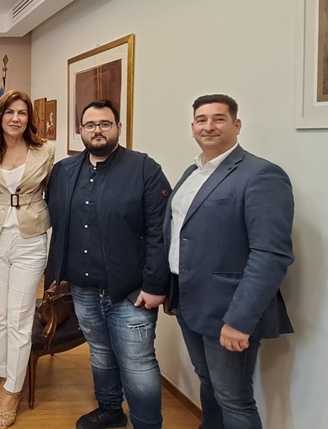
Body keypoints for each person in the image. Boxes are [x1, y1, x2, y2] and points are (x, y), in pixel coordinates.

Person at [166, 94, 293, 429]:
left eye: (218, 119)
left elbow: (271, 255)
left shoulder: (261, 175)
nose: (209, 126)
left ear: (236, 125)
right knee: (208, 382)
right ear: (192, 127)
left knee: (234, 398)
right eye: (201, 120)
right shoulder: (193, 172)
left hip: (228, 310)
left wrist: (240, 320)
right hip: (190, 302)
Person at [46, 99, 170, 429]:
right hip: (83, 288)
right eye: (90, 125)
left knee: (138, 362)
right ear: (80, 130)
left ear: (118, 127)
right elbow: (57, 222)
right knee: (100, 352)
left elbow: (160, 231)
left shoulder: (144, 169)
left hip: (131, 291)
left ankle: (147, 424)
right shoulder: (65, 171)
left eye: (105, 123)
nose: (97, 130)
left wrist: (155, 285)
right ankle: (110, 409)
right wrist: (56, 273)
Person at [0, 89, 55, 429]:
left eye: (22, 113)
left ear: (29, 119)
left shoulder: (46, 151)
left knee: (20, 317)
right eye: (10, 112)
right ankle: (7, 377)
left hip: (30, 238)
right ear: (0, 116)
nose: (16, 118)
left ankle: (13, 392)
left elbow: (52, 192)